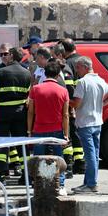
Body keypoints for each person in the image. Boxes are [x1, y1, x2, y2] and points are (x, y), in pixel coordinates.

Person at [70, 56, 108, 194]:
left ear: (85, 67)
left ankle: (91, 184)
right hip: (97, 122)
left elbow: (77, 103)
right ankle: (89, 182)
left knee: (90, 155)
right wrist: (102, 104)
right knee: (94, 154)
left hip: (85, 123)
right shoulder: (100, 80)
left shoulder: (82, 82)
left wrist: (67, 102)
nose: (77, 70)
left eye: (78, 67)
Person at [27, 61, 69, 196]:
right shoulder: (63, 91)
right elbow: (66, 115)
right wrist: (66, 134)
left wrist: (29, 131)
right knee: (58, 158)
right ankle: (60, 185)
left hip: (39, 129)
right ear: (58, 75)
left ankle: (38, 186)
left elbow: (31, 112)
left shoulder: (35, 89)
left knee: (38, 158)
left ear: (44, 74)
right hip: (57, 129)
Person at [0, 47, 31, 182]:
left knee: (0, 143)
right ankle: (27, 175)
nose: (6, 56)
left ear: (12, 56)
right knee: (21, 143)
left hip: (2, 113)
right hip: (20, 113)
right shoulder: (26, 73)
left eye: (8, 54)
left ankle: (1, 174)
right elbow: (27, 94)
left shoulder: (1, 72)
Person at [51, 43, 77, 178]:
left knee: (66, 140)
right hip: (64, 109)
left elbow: (69, 91)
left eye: (53, 56)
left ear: (60, 56)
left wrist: (71, 107)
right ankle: (68, 167)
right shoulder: (64, 69)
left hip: (65, 109)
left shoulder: (65, 71)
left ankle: (69, 167)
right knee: (66, 140)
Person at [60, 38, 85, 173]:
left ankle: (74, 163)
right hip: (83, 102)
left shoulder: (67, 64)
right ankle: (80, 161)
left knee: (71, 132)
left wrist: (69, 105)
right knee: (78, 133)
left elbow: (69, 87)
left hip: (72, 103)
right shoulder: (83, 60)